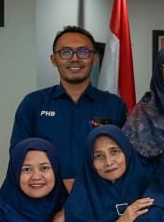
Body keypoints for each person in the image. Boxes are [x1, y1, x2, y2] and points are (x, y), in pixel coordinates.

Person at [10, 25, 128, 188]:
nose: (74, 59)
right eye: (65, 52)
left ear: (95, 59)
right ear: (53, 59)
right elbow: (19, 156)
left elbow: (125, 157)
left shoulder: (114, 105)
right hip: (46, 197)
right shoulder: (33, 104)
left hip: (99, 198)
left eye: (83, 52)